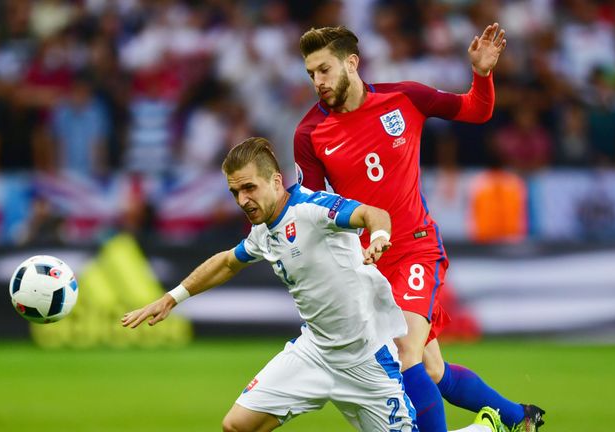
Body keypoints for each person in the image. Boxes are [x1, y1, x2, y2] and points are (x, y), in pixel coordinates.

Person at [122, 137, 505, 432]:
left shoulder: (313, 208)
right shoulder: (263, 232)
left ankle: (488, 427)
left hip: (367, 361)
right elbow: (226, 262)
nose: (242, 200)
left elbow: (373, 213)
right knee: (236, 425)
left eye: (249, 188)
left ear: (275, 181)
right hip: (314, 352)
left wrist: (378, 236)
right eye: (235, 192)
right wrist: (173, 298)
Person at [294, 25, 545, 432]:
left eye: (324, 70)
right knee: (431, 369)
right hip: (368, 265)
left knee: (403, 350)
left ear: (351, 63)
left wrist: (481, 75)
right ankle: (520, 418)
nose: (318, 82)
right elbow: (314, 209)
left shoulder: (404, 97)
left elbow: (475, 111)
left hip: (414, 248)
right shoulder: (309, 134)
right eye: (311, 74)